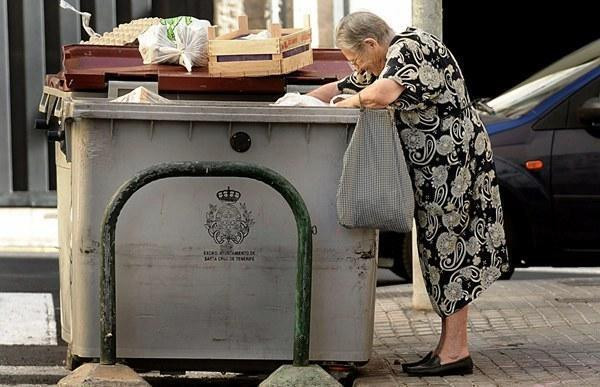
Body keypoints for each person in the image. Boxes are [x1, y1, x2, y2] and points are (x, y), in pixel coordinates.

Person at [308, 12, 510, 376]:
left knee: (451, 252)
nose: (354, 65)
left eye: (355, 57)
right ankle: (447, 348)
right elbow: (344, 87)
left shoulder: (410, 48)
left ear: (371, 43)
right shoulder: (383, 63)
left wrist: (349, 105)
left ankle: (455, 352)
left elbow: (377, 96)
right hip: (435, 176)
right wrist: (300, 104)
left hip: (454, 172)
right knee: (436, 253)